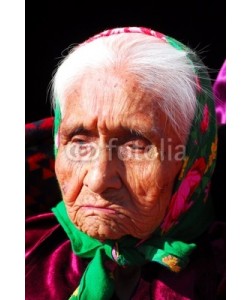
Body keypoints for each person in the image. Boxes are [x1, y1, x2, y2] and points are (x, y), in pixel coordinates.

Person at [25, 26, 225, 299]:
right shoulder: (28, 253)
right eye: (80, 141)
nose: (98, 179)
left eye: (136, 146)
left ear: (192, 159)